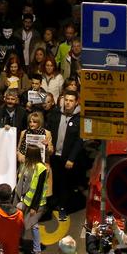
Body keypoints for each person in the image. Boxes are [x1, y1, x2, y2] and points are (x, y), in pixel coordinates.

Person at [45, 91, 83, 221]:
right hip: (53, 154)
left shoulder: (80, 118)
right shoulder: (55, 114)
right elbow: (48, 130)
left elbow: (79, 140)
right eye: (66, 100)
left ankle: (62, 207)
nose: (68, 103)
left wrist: (71, 158)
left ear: (76, 102)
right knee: (53, 182)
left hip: (67, 158)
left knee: (65, 184)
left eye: (71, 100)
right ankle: (52, 205)